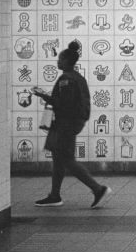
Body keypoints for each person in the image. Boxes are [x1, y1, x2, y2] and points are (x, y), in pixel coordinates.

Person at [30, 41, 111, 208]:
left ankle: (98, 189)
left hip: (66, 123)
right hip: (73, 122)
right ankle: (54, 196)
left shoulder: (66, 79)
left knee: (67, 160)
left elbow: (64, 104)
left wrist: (44, 96)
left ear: (67, 61)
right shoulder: (78, 77)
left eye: (60, 58)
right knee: (58, 158)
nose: (57, 61)